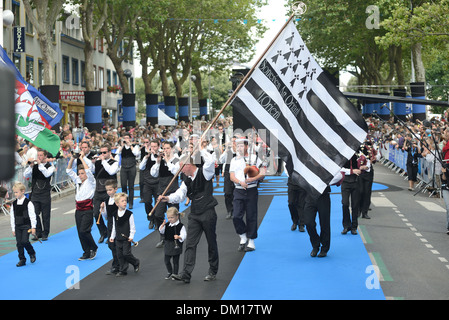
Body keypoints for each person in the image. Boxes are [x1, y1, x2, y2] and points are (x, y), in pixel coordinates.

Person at [159, 141, 219, 283]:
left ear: (188, 165)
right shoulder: (186, 180)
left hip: (208, 212)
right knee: (190, 244)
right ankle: (186, 273)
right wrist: (167, 198)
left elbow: (211, 162)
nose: (179, 171)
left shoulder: (205, 172)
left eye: (181, 167)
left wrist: (201, 149)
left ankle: (213, 270)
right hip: (195, 214)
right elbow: (180, 194)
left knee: (211, 243)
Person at [229, 138, 266, 251]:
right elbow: (232, 176)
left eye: (241, 146)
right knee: (236, 216)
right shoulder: (234, 160)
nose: (239, 148)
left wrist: (253, 179)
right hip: (239, 190)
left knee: (251, 215)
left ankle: (251, 241)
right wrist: (240, 182)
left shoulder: (254, 158)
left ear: (246, 146)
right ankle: (243, 235)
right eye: (237, 146)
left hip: (251, 190)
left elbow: (263, 173)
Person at [66, 151, 98, 261]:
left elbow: (88, 171)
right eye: (79, 173)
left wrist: (81, 158)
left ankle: (93, 247)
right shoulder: (78, 181)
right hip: (78, 209)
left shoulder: (91, 181)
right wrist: (72, 158)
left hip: (88, 208)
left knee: (85, 230)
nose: (80, 175)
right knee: (80, 232)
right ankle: (86, 251)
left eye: (82, 173)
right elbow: (69, 171)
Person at [304, 172, 344, 258]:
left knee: (324, 223)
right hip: (309, 196)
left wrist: (325, 180)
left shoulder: (326, 163)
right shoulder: (306, 161)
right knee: (308, 222)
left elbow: (339, 175)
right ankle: (315, 244)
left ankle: (324, 248)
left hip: (323, 196)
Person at [151, 141, 180, 248]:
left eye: (167, 148)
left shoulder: (176, 159)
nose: (165, 150)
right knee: (158, 214)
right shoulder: (161, 160)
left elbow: (175, 172)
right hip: (161, 189)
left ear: (172, 149)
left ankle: (176, 237)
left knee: (174, 215)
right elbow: (153, 174)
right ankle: (163, 236)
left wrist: (167, 161)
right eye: (164, 148)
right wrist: (158, 162)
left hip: (173, 190)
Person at [23, 149, 55, 241]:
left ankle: (45, 233)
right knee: (34, 214)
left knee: (46, 215)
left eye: (41, 155)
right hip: (35, 194)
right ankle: (38, 232)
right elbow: (26, 175)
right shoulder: (35, 166)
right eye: (38, 155)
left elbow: (46, 174)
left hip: (45, 194)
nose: (39, 157)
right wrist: (30, 166)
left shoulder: (50, 167)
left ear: (45, 156)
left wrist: (40, 164)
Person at [92, 143, 119, 243]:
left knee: (110, 214)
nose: (102, 154)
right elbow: (91, 171)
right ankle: (103, 233)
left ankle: (112, 233)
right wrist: (91, 161)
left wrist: (103, 161)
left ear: (109, 152)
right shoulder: (98, 162)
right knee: (95, 213)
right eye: (101, 152)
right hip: (98, 190)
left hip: (109, 191)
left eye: (104, 152)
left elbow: (111, 172)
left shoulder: (114, 162)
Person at [109, 192, 140, 277]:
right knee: (120, 255)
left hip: (126, 239)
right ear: (117, 203)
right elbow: (114, 227)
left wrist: (131, 236)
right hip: (118, 238)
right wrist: (112, 236)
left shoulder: (129, 214)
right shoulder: (114, 214)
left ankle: (136, 262)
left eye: (125, 201)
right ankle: (123, 270)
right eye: (122, 201)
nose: (125, 202)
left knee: (126, 253)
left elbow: (132, 227)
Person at [10, 182, 37, 267]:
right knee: (19, 243)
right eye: (14, 192)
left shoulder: (28, 203)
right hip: (18, 226)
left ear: (23, 191)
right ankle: (22, 259)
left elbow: (32, 216)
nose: (15, 194)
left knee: (25, 241)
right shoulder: (13, 204)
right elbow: (12, 217)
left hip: (26, 226)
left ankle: (31, 252)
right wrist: (13, 228)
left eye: (17, 192)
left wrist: (33, 227)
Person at [159, 207, 186, 280]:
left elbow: (184, 234)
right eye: (168, 218)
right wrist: (162, 226)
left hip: (176, 245)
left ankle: (175, 274)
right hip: (168, 245)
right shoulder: (167, 225)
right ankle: (170, 272)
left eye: (172, 217)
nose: (170, 219)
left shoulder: (181, 226)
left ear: (177, 216)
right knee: (166, 260)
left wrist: (179, 237)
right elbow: (162, 231)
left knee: (175, 261)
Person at [139, 139, 160, 229]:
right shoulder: (146, 155)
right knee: (147, 201)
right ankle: (151, 218)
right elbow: (141, 167)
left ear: (158, 147)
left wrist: (159, 157)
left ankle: (156, 219)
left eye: (155, 146)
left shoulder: (161, 155)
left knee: (157, 202)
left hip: (158, 182)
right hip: (147, 182)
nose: (153, 148)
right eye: (152, 146)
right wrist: (146, 157)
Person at [100, 180, 120, 275]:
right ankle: (118, 264)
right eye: (107, 190)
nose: (108, 192)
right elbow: (106, 216)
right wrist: (103, 209)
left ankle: (117, 265)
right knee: (111, 245)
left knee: (117, 245)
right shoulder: (107, 200)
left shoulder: (119, 199)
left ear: (115, 189)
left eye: (110, 189)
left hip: (118, 223)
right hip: (110, 224)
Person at [117, 133, 140, 209]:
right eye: (125, 138)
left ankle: (131, 203)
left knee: (131, 186)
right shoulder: (122, 146)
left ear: (130, 138)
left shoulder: (134, 146)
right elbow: (117, 153)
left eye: (127, 138)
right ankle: (124, 201)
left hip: (132, 167)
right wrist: (122, 145)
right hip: (123, 167)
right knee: (123, 185)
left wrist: (130, 145)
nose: (126, 139)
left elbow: (136, 154)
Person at [341, 153, 361, 235]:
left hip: (355, 181)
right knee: (345, 203)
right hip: (345, 182)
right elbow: (340, 169)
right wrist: (352, 171)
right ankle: (346, 226)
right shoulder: (342, 154)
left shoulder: (358, 153)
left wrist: (363, 168)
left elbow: (363, 167)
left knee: (355, 205)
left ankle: (354, 227)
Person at [219, 137, 236, 219]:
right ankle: (229, 210)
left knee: (236, 193)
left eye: (235, 142)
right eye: (232, 142)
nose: (233, 143)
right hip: (228, 173)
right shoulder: (227, 152)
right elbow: (221, 160)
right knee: (227, 193)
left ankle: (236, 210)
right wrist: (225, 150)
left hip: (237, 174)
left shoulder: (240, 152)